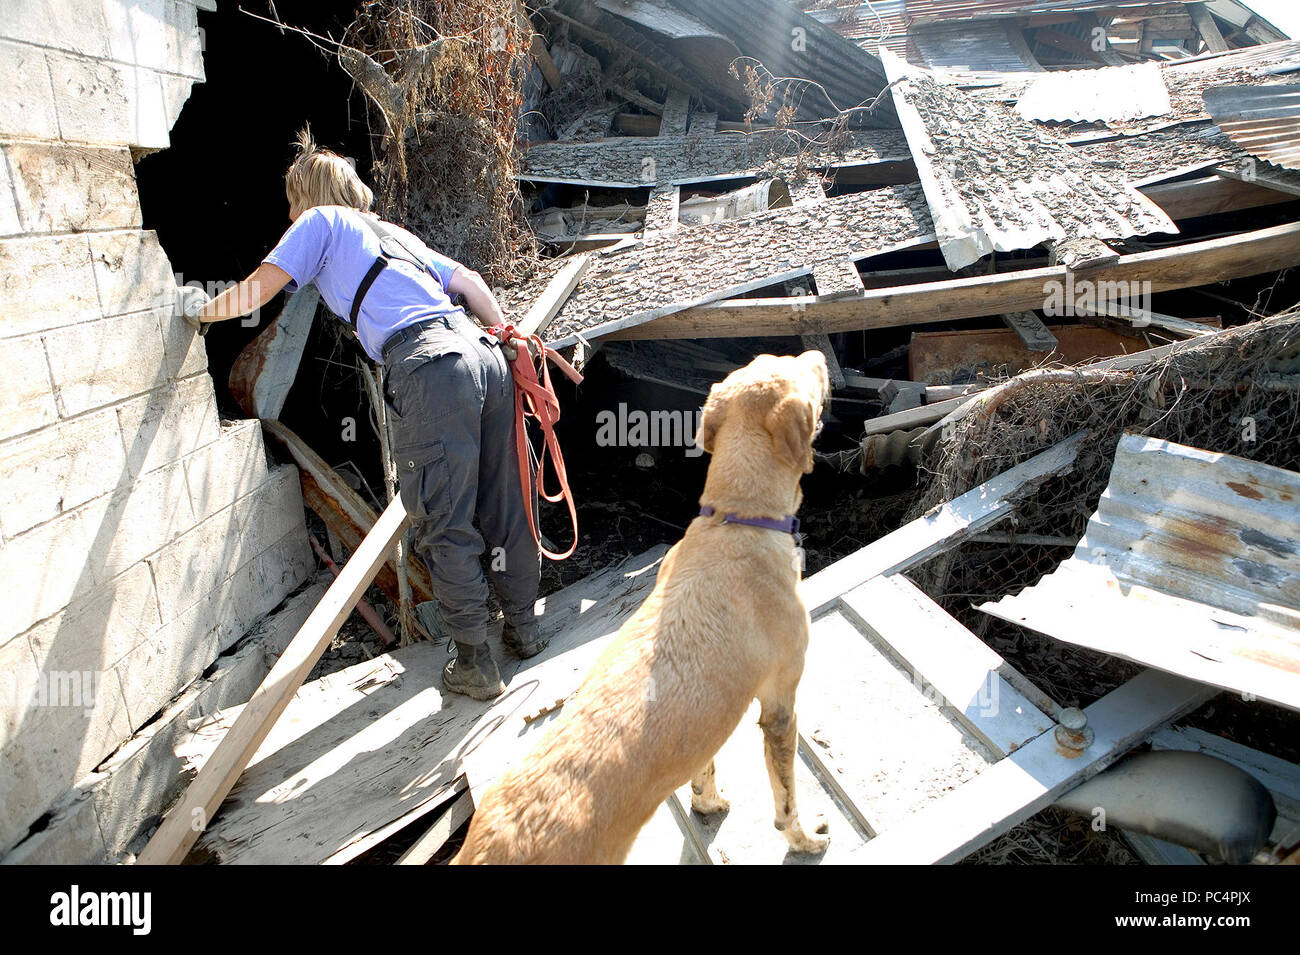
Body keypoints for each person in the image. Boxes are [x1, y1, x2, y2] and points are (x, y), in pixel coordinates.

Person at [191, 128, 544, 700]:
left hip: (430, 366)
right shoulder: (391, 234)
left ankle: (476, 662)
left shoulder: (318, 224)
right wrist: (509, 337)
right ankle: (525, 631)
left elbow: (259, 289)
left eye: (290, 200)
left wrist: (199, 312)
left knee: (442, 515)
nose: (287, 212)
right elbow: (473, 284)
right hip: (485, 356)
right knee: (502, 500)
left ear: (307, 195)